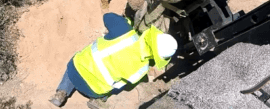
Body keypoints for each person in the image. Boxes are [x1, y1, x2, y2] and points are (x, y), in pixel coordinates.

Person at [49, 13, 178, 108]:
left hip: (76, 72)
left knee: (76, 60)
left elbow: (107, 16)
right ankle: (100, 100)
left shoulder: (125, 31)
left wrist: (125, 21)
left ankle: (62, 92)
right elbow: (125, 87)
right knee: (121, 84)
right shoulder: (143, 69)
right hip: (94, 90)